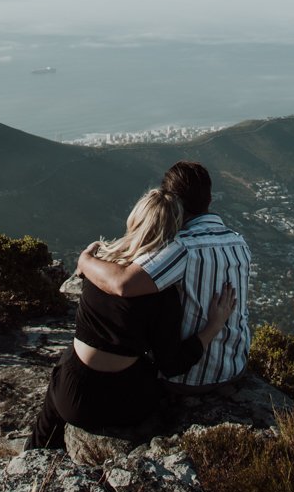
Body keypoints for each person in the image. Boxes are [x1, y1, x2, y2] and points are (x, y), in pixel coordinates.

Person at [26, 187, 235, 449]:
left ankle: (33, 455)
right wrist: (213, 326)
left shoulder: (99, 266)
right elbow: (172, 363)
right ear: (174, 231)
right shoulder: (163, 293)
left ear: (135, 219)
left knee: (66, 365)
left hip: (71, 396)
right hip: (125, 403)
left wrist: (86, 259)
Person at [77, 161, 250, 394]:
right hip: (235, 368)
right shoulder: (239, 242)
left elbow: (123, 284)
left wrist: (86, 261)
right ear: (209, 199)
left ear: (173, 202)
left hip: (189, 376)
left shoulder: (180, 248)